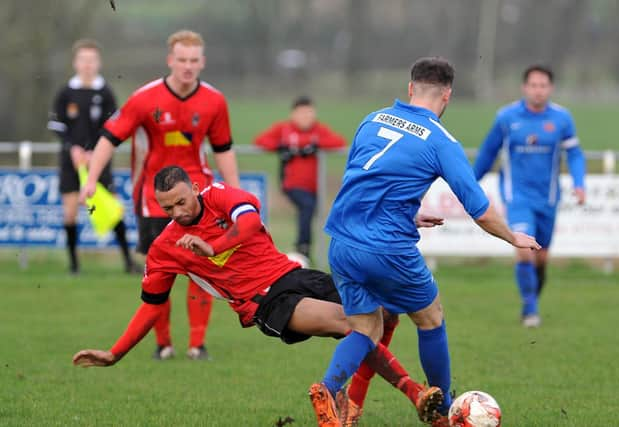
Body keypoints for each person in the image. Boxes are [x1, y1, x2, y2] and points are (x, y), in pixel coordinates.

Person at [72, 166, 437, 424]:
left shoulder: (217, 196)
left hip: (293, 275)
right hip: (265, 303)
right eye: (167, 208)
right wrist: (115, 353)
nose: (177, 212)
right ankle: (414, 394)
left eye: (181, 201)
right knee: (352, 322)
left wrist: (212, 247)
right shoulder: (164, 248)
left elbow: (247, 221)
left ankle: (352, 408)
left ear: (194, 188)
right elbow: (151, 307)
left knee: (386, 313)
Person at [309, 57, 541, 427]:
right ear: (447, 96)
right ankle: (444, 411)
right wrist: (512, 235)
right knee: (431, 318)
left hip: (342, 242)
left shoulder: (373, 119)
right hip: (387, 249)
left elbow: (363, 181)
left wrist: (408, 213)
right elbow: (479, 208)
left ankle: (327, 386)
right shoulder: (440, 140)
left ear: (410, 89)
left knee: (366, 329)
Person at [79, 30, 240, 361]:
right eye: (181, 60)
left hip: (200, 198)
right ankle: (163, 344)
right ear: (170, 60)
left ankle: (197, 344)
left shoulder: (214, 101)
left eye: (194, 60)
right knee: (158, 273)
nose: (187, 67)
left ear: (202, 63)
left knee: (204, 268)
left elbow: (223, 148)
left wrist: (234, 190)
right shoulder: (144, 98)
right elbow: (110, 137)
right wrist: (91, 178)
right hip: (155, 201)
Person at [473, 65, 586, 328]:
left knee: (542, 258)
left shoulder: (562, 119)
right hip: (517, 198)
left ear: (550, 88)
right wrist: (468, 184)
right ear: (525, 87)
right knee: (524, 250)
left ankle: (532, 299)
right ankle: (530, 310)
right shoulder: (506, 117)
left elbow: (575, 154)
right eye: (533, 85)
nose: (538, 90)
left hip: (548, 198)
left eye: (543, 85)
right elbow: (488, 153)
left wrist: (580, 184)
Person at [47, 39, 138, 274]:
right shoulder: (66, 92)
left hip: (99, 161)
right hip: (71, 162)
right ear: (76, 63)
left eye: (92, 60)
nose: (88, 64)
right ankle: (74, 265)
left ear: (98, 63)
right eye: (83, 60)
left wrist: (94, 151)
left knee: (112, 208)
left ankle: (128, 261)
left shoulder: (105, 92)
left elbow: (113, 127)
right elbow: (58, 126)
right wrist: (73, 149)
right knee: (70, 212)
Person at [254, 96, 346, 263]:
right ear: (293, 114)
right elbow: (260, 141)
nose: (306, 118)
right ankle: (302, 247)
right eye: (302, 114)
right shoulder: (284, 130)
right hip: (291, 184)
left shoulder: (318, 131)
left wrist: (315, 145)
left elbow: (339, 142)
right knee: (307, 207)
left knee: (309, 211)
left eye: (309, 114)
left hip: (314, 187)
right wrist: (282, 147)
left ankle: (308, 250)